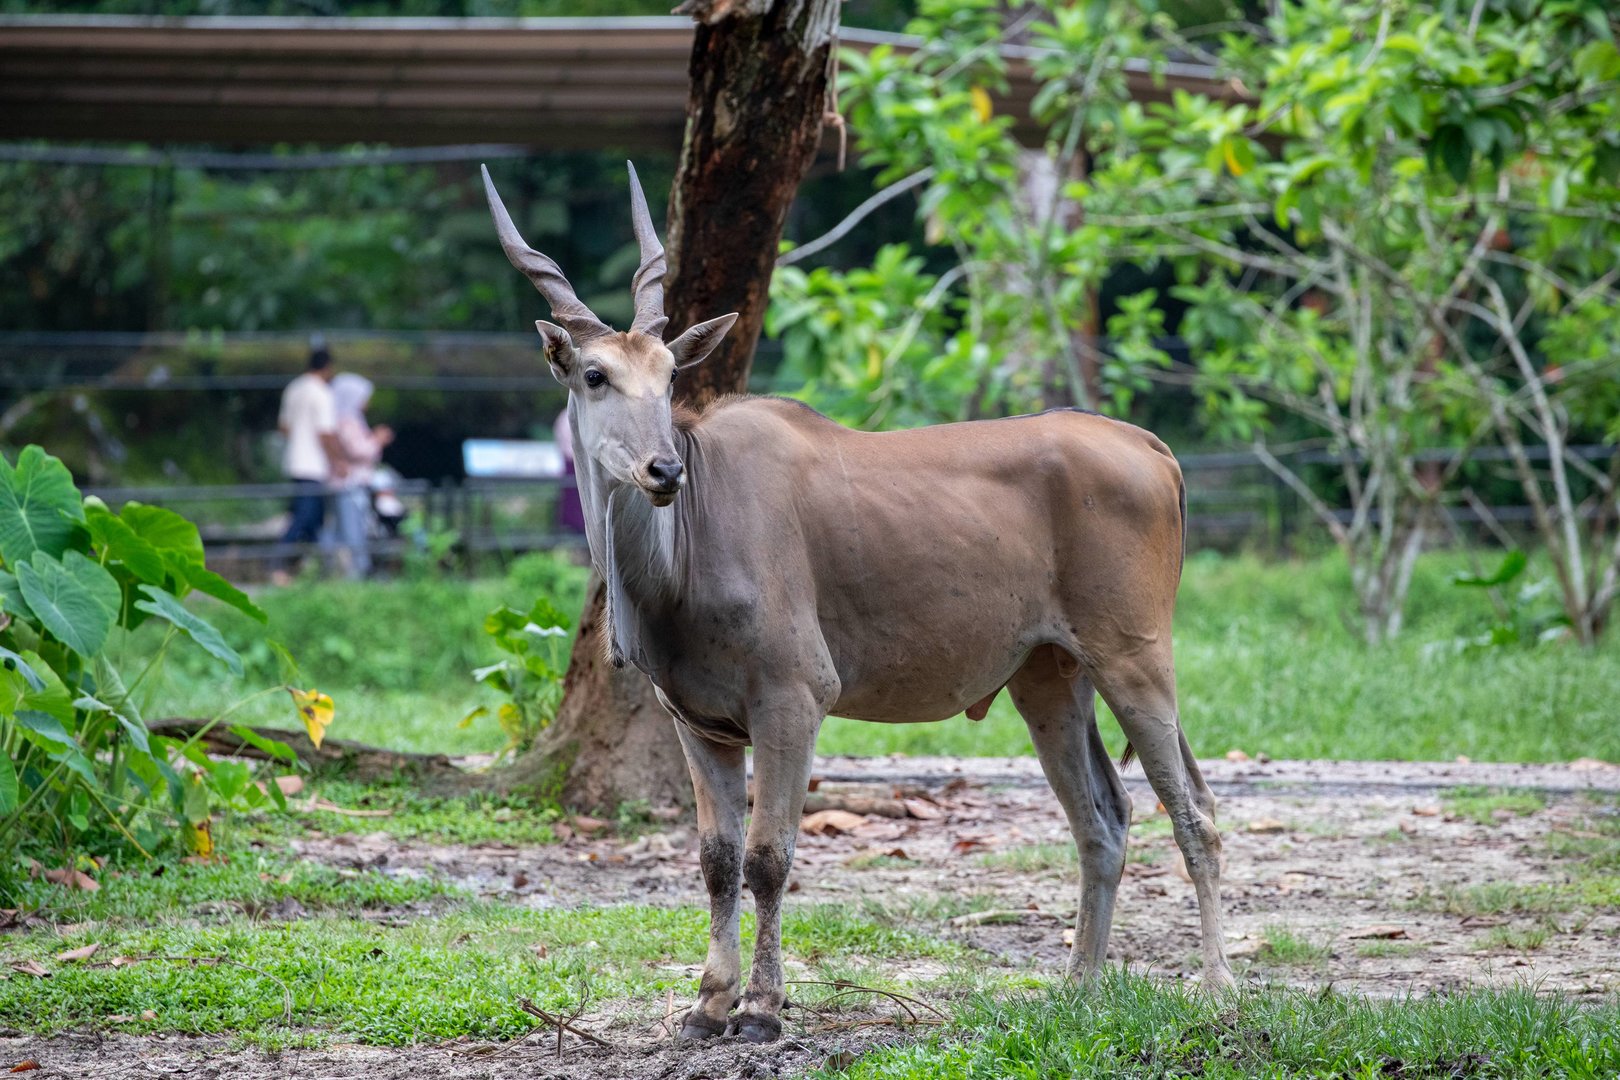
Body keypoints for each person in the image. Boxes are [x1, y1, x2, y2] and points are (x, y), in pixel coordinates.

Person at [272, 342, 341, 585]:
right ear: (328, 367)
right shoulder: (321, 392)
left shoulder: (294, 388)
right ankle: (277, 564)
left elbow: (283, 427)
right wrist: (338, 460)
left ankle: (316, 565)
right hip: (313, 464)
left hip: (295, 460)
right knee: (305, 515)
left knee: (313, 517)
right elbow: (326, 433)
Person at [330, 373, 393, 579]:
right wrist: (377, 440)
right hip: (349, 484)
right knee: (351, 530)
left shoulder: (353, 420)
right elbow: (357, 450)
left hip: (357, 484)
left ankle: (359, 570)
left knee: (357, 528)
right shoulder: (345, 421)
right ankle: (356, 574)